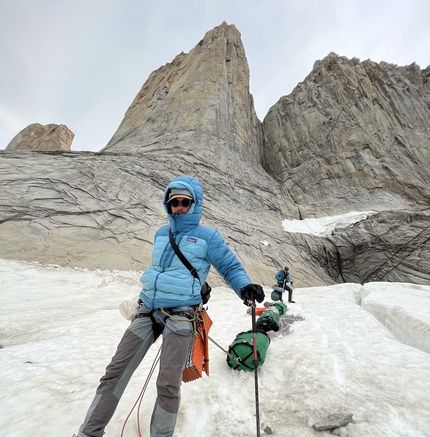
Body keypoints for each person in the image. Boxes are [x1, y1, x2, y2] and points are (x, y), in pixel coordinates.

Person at [73, 175, 265, 437]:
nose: (179, 207)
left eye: (185, 202)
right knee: (114, 373)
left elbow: (229, 266)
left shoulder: (207, 236)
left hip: (182, 316)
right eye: (174, 202)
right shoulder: (162, 233)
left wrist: (244, 286)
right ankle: (88, 433)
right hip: (148, 309)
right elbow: (159, 269)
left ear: (195, 204)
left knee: (168, 384)